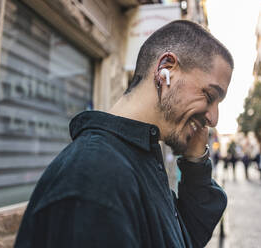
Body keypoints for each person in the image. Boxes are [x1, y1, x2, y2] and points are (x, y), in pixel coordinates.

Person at [15, 20, 234, 248]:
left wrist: (196, 162)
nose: (213, 119)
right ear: (165, 69)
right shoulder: (96, 178)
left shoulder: (138, 156)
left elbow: (185, 237)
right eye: (209, 96)